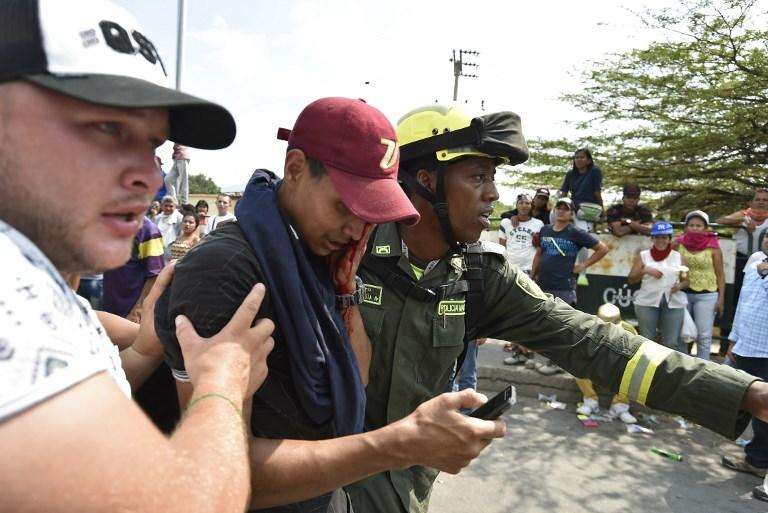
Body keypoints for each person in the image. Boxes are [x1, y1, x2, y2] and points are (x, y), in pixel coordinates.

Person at [344, 104, 768, 513]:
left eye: (492, 178)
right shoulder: (346, 256)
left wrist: (745, 393)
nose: (494, 194)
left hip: (405, 491)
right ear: (426, 181)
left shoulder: (479, 275)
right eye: (477, 177)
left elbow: (594, 343)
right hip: (320, 487)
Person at [155, 97, 505, 513]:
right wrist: (400, 444)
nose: (357, 229)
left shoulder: (318, 255)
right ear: (296, 168)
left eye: (370, 213)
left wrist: (345, 294)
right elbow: (218, 470)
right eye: (344, 206)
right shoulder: (228, 271)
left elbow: (356, 378)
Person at [0, 1, 275, 512]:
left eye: (152, 143)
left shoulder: (44, 279)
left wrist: (146, 350)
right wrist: (221, 386)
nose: (150, 178)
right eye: (106, 127)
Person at [720, 240, 768, 500]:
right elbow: (744, 302)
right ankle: (757, 460)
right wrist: (733, 338)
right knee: (740, 399)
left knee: (766, 410)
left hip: (766, 350)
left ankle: (759, 461)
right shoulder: (754, 260)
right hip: (746, 345)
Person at [627, 220, 689, 351]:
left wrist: (679, 286)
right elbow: (631, 279)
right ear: (652, 238)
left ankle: (665, 371)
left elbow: (686, 281)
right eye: (657, 237)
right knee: (646, 339)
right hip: (647, 302)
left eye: (664, 237)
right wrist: (645, 270)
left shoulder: (679, 257)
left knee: (671, 342)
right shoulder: (643, 256)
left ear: (669, 239)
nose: (661, 240)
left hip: (673, 302)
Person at [673, 210, 725, 359]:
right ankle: (682, 366)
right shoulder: (678, 243)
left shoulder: (714, 247)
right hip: (682, 293)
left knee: (704, 336)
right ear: (686, 227)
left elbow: (720, 274)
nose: (695, 228)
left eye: (699, 225)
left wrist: (721, 299)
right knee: (682, 333)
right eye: (691, 225)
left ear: (705, 228)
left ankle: (703, 368)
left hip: (707, 295)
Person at [574, 303, 638, 424]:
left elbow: (635, 356)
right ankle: (590, 401)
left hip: (618, 366)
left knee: (633, 371)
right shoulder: (587, 327)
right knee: (577, 364)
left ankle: (620, 406)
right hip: (597, 365)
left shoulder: (630, 331)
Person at [716, 188, 768, 311]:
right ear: (752, 202)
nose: (761, 202)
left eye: (765, 200)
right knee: (735, 293)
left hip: (763, 260)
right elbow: (720, 220)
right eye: (758, 199)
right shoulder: (743, 214)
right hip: (739, 259)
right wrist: (741, 220)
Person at [559, 148, 604, 231]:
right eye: (576, 158)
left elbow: (597, 192)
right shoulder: (570, 173)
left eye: (582, 157)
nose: (578, 160)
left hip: (588, 208)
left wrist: (602, 211)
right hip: (573, 207)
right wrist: (560, 206)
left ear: (588, 160)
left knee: (583, 232)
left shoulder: (594, 171)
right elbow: (564, 192)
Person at [498, 193, 544, 274]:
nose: (524, 206)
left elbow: (539, 250)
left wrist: (534, 273)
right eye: (521, 203)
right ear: (516, 205)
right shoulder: (505, 222)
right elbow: (501, 246)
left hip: (529, 269)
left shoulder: (539, 224)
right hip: (509, 268)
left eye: (527, 203)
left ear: (531, 206)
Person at [155, 195, 183, 259]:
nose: (168, 208)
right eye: (166, 206)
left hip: (174, 253)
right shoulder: (157, 219)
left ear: (175, 207)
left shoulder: (180, 219)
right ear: (162, 206)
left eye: (171, 206)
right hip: (158, 251)